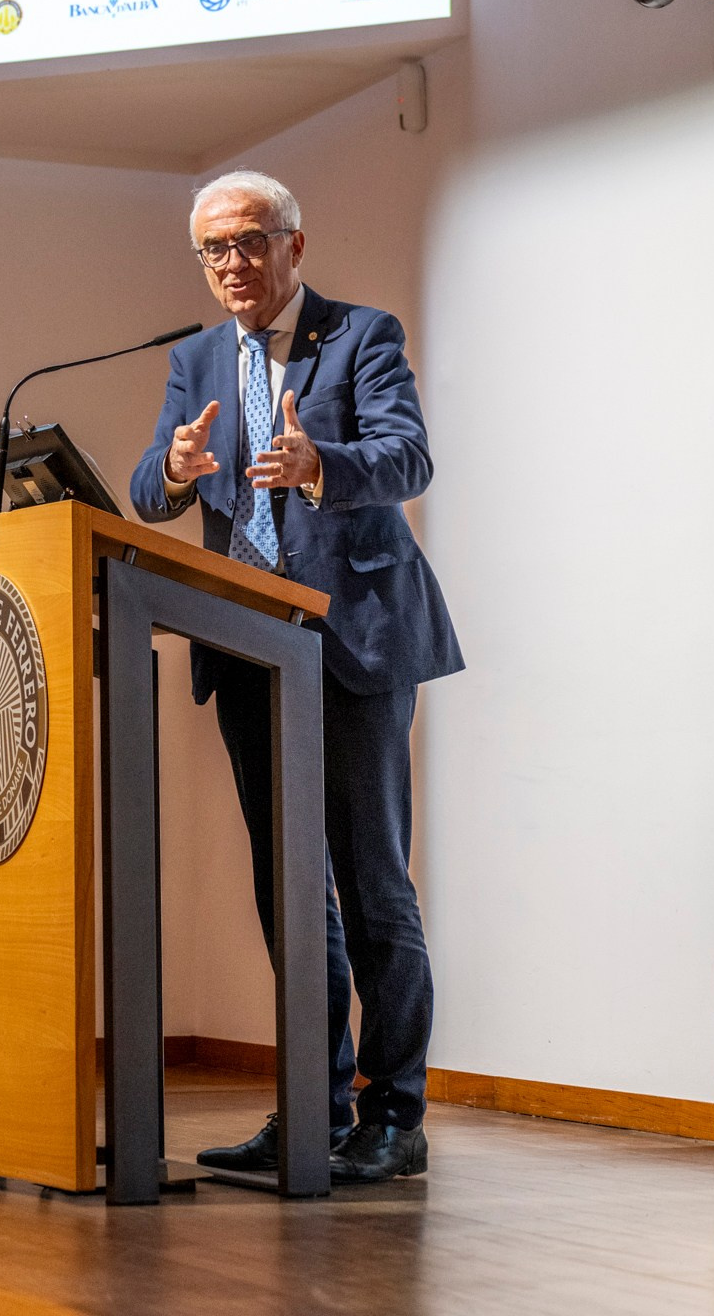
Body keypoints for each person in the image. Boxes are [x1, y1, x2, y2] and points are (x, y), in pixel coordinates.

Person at [130, 170, 463, 1184]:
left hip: (352, 638)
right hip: (245, 647)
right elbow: (149, 491)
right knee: (288, 892)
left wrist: (321, 464)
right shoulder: (193, 360)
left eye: (247, 242)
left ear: (292, 246)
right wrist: (176, 470)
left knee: (371, 885)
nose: (231, 263)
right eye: (213, 250)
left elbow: (407, 460)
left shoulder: (360, 336)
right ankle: (311, 1107)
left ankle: (393, 1116)